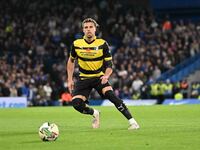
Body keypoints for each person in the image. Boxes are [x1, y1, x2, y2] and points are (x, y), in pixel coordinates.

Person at [67, 18, 139, 130]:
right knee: (76, 104)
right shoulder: (76, 44)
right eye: (86, 27)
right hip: (83, 78)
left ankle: (133, 122)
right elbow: (71, 61)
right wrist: (69, 79)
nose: (88, 29)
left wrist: (106, 75)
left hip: (99, 77)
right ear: (83, 30)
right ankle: (95, 113)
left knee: (112, 96)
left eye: (91, 27)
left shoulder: (102, 44)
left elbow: (109, 65)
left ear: (95, 29)